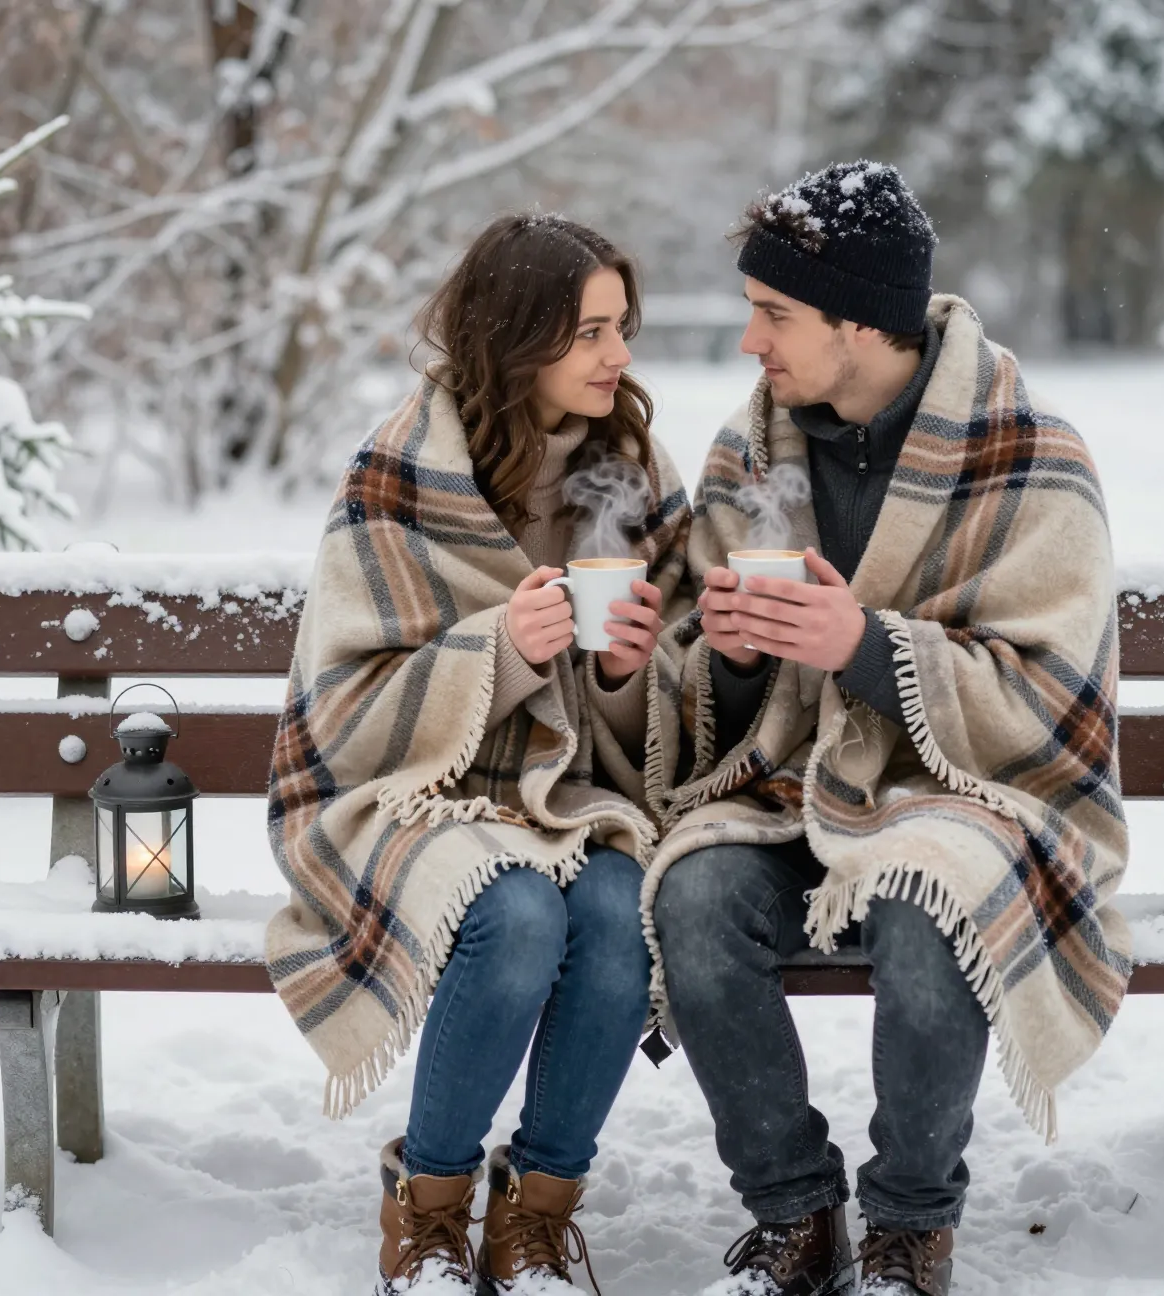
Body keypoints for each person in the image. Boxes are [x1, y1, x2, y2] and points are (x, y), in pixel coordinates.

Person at [641, 162, 1132, 1296]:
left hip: (971, 800)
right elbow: (691, 690)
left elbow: (1050, 699)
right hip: (788, 792)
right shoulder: (750, 447)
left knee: (928, 903)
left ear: (859, 324)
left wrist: (861, 645)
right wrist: (731, 651)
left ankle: (910, 1227)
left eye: (774, 316)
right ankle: (796, 1216)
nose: (750, 346)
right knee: (694, 898)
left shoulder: (1031, 457)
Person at [264, 213, 691, 1296]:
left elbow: (687, 706)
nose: (619, 356)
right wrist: (495, 651)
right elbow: (344, 708)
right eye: (590, 332)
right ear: (516, 339)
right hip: (411, 798)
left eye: (622, 328)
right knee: (515, 916)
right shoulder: (402, 473)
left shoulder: (634, 471)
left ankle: (538, 1215)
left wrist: (621, 673)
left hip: (580, 798)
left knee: (613, 914)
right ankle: (432, 1210)